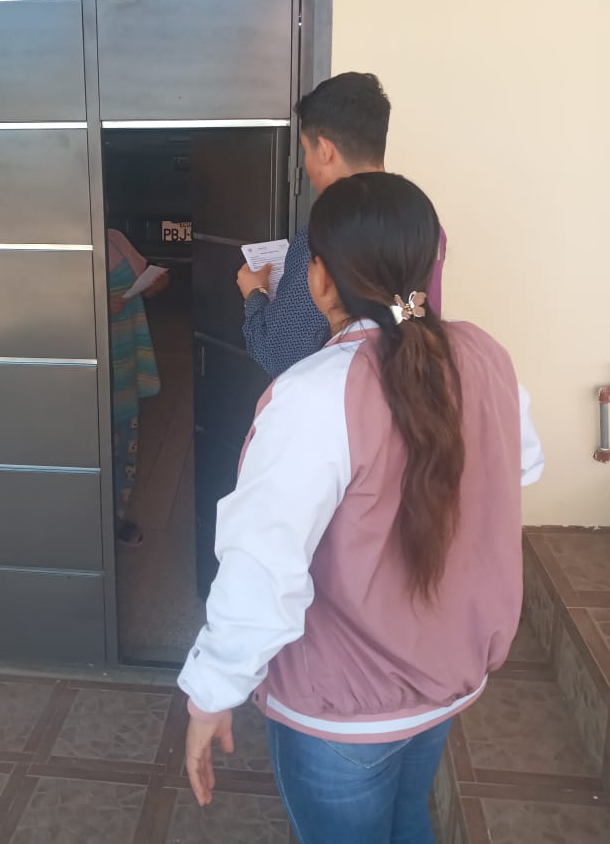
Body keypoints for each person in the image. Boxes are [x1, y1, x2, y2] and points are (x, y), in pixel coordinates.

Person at [179, 173, 543, 843]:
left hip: (343, 714)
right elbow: (522, 467)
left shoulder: (314, 394)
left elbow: (263, 564)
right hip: (446, 682)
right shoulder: (486, 356)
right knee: (408, 823)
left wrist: (212, 694)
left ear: (320, 278)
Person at [238, 72, 447, 377]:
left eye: (305, 150)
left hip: (344, 392)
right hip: (416, 386)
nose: (306, 164)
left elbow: (277, 351)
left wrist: (255, 293)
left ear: (325, 150)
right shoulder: (423, 224)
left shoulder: (328, 237)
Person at [107, 229, 168, 546]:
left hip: (125, 364)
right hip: (90, 373)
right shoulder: (64, 249)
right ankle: (86, 528)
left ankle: (115, 520)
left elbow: (152, 281)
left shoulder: (115, 239)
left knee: (123, 449)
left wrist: (155, 283)